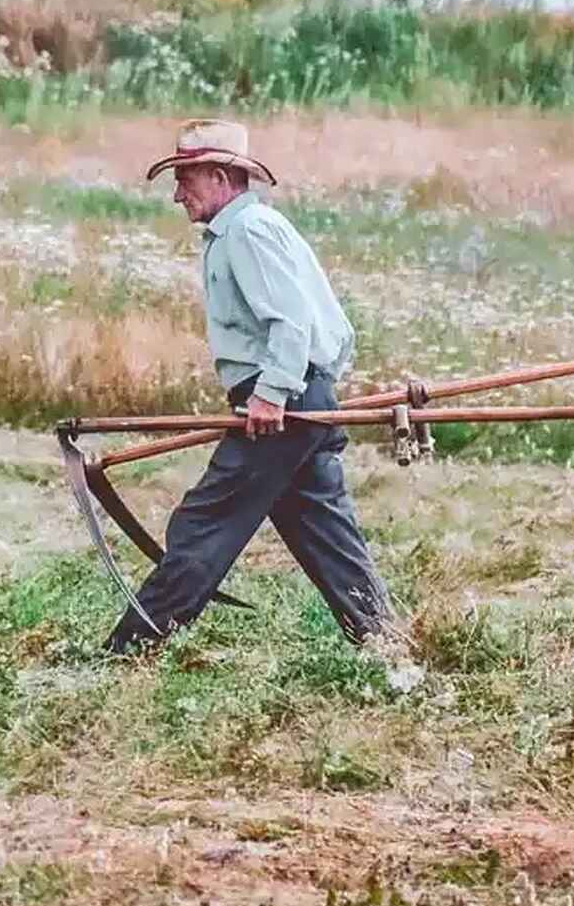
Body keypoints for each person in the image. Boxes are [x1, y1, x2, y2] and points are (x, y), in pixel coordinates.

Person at [106, 119, 391, 653]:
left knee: (202, 523)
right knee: (324, 533)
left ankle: (131, 648)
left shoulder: (248, 231)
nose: (176, 194)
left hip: (279, 401)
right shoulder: (248, 229)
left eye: (185, 179)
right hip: (296, 396)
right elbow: (326, 327)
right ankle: (386, 639)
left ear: (219, 176)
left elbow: (292, 322)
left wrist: (273, 394)